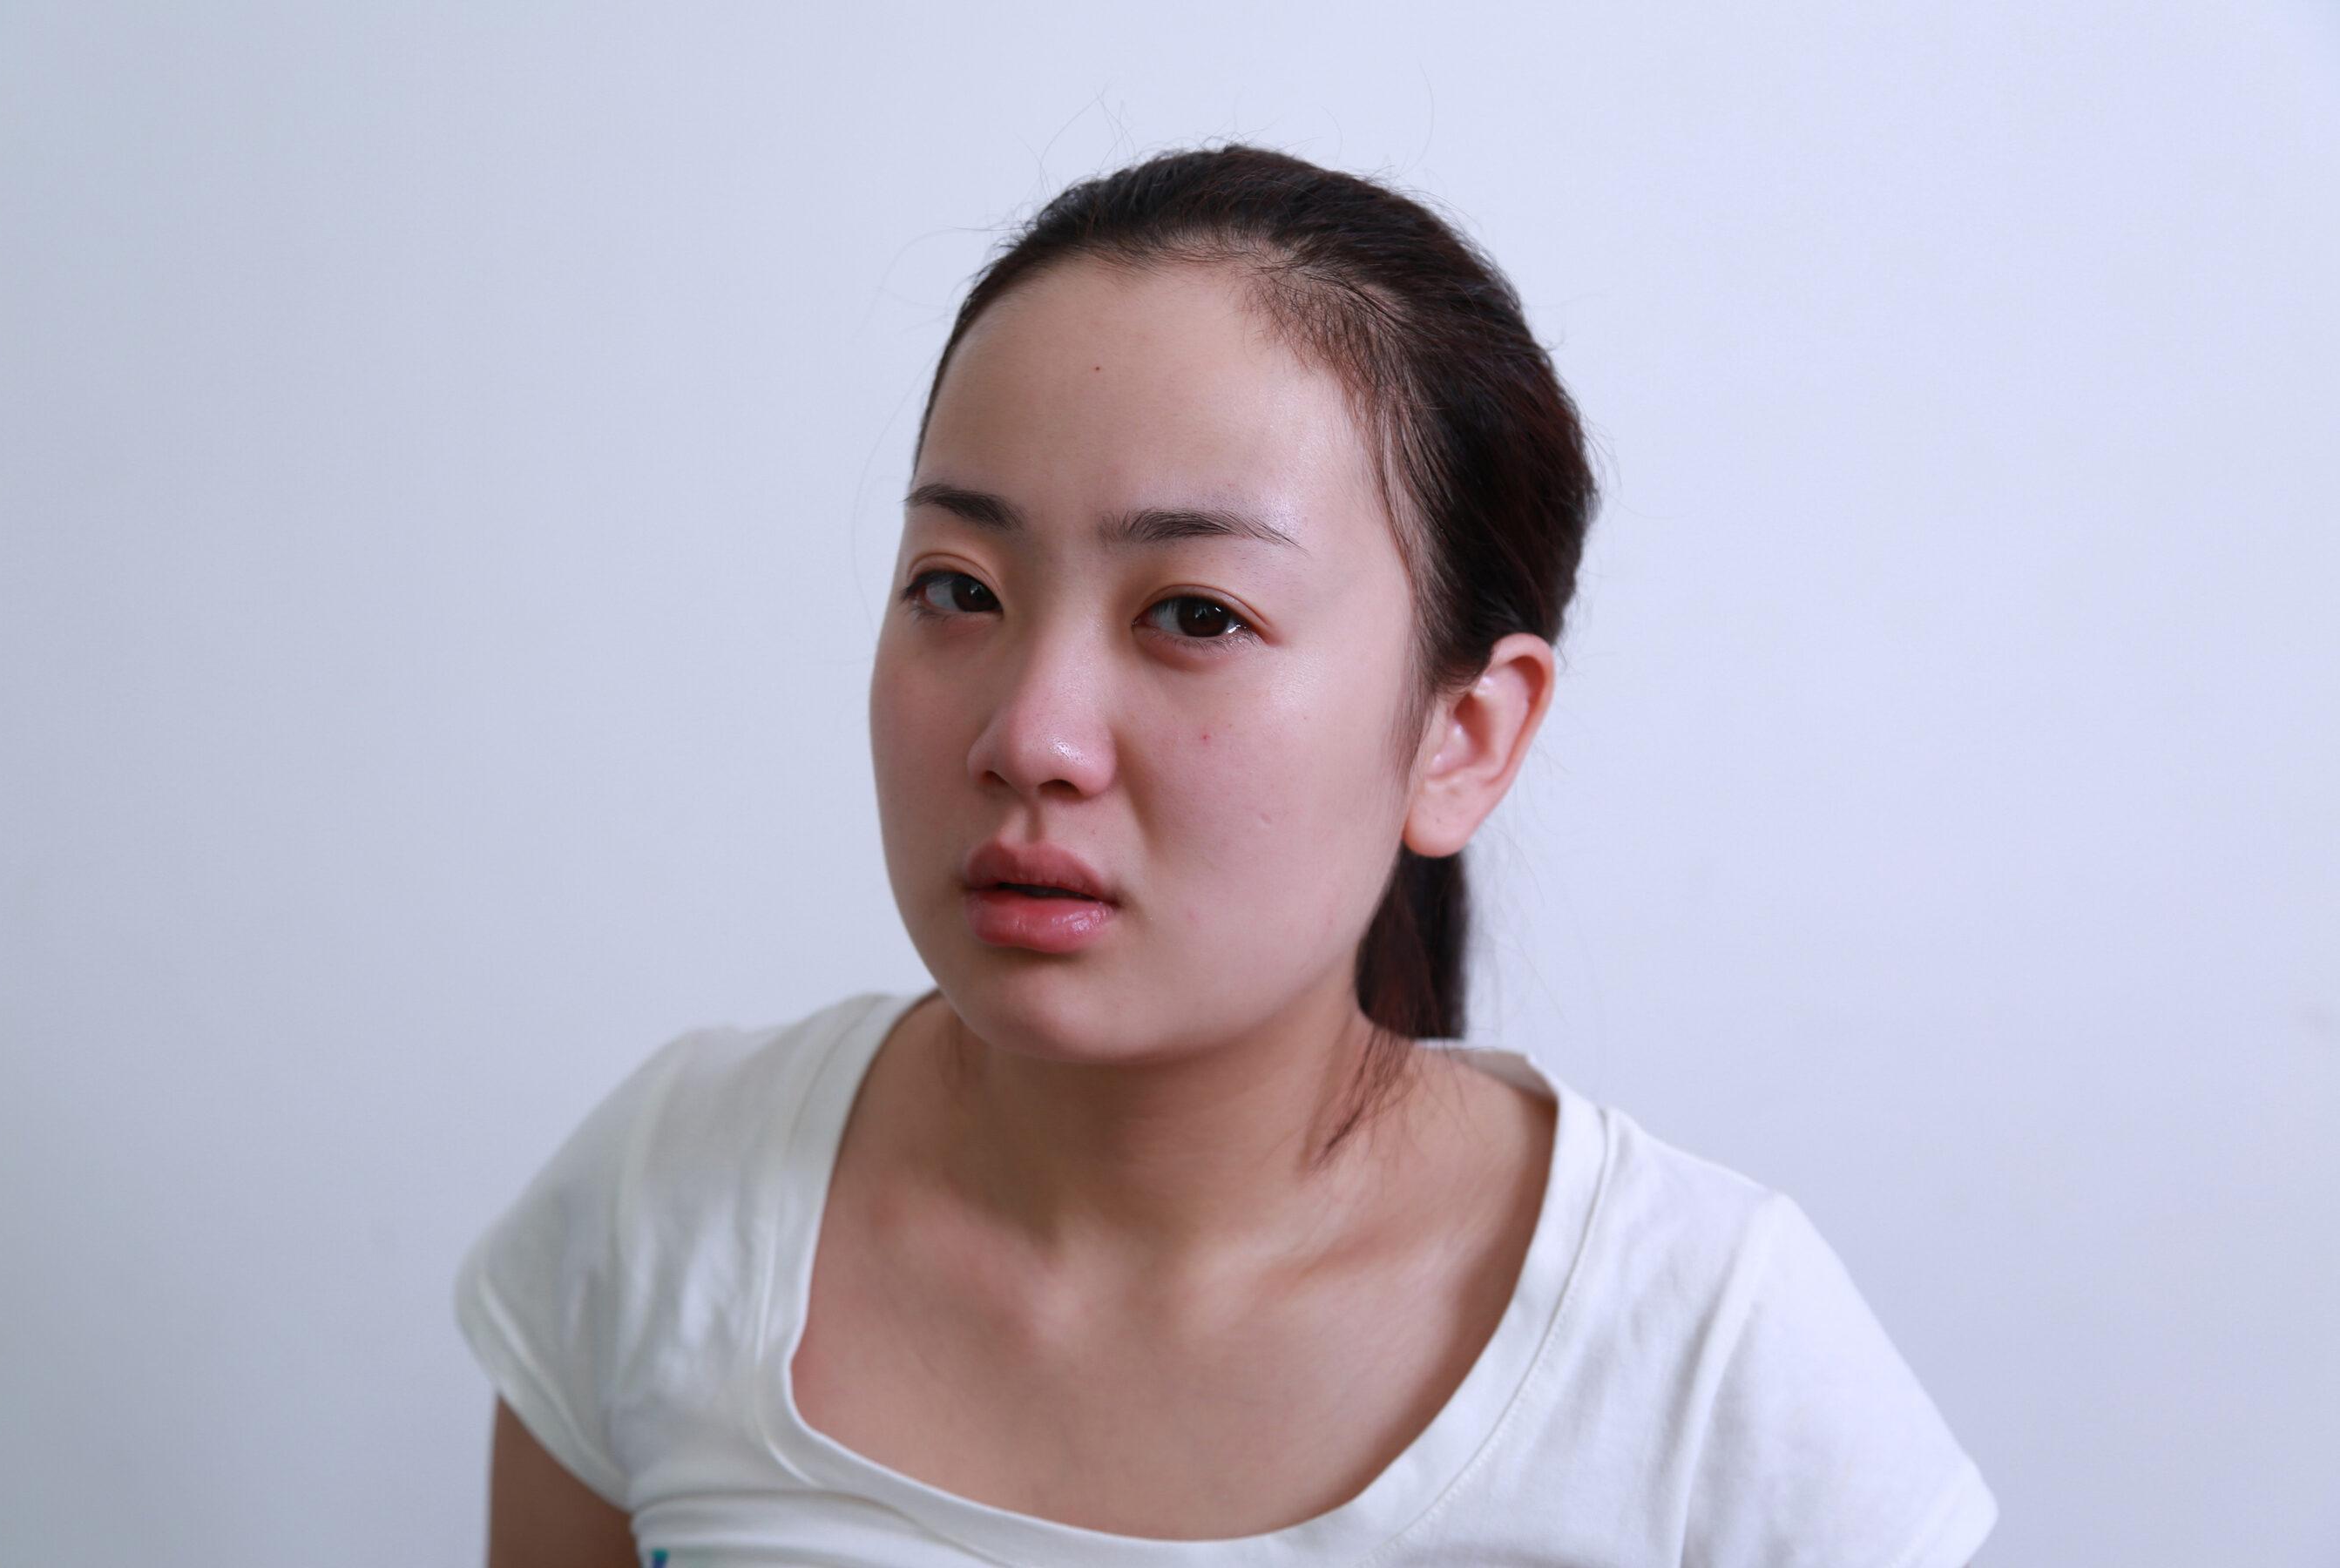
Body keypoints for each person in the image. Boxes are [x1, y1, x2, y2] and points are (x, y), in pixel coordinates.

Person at [454, 142, 1999, 1566]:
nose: (1032, 736)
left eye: (1197, 614)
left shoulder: (1712, 1366)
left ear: (1462, 736)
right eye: (959, 587)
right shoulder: (669, 1200)